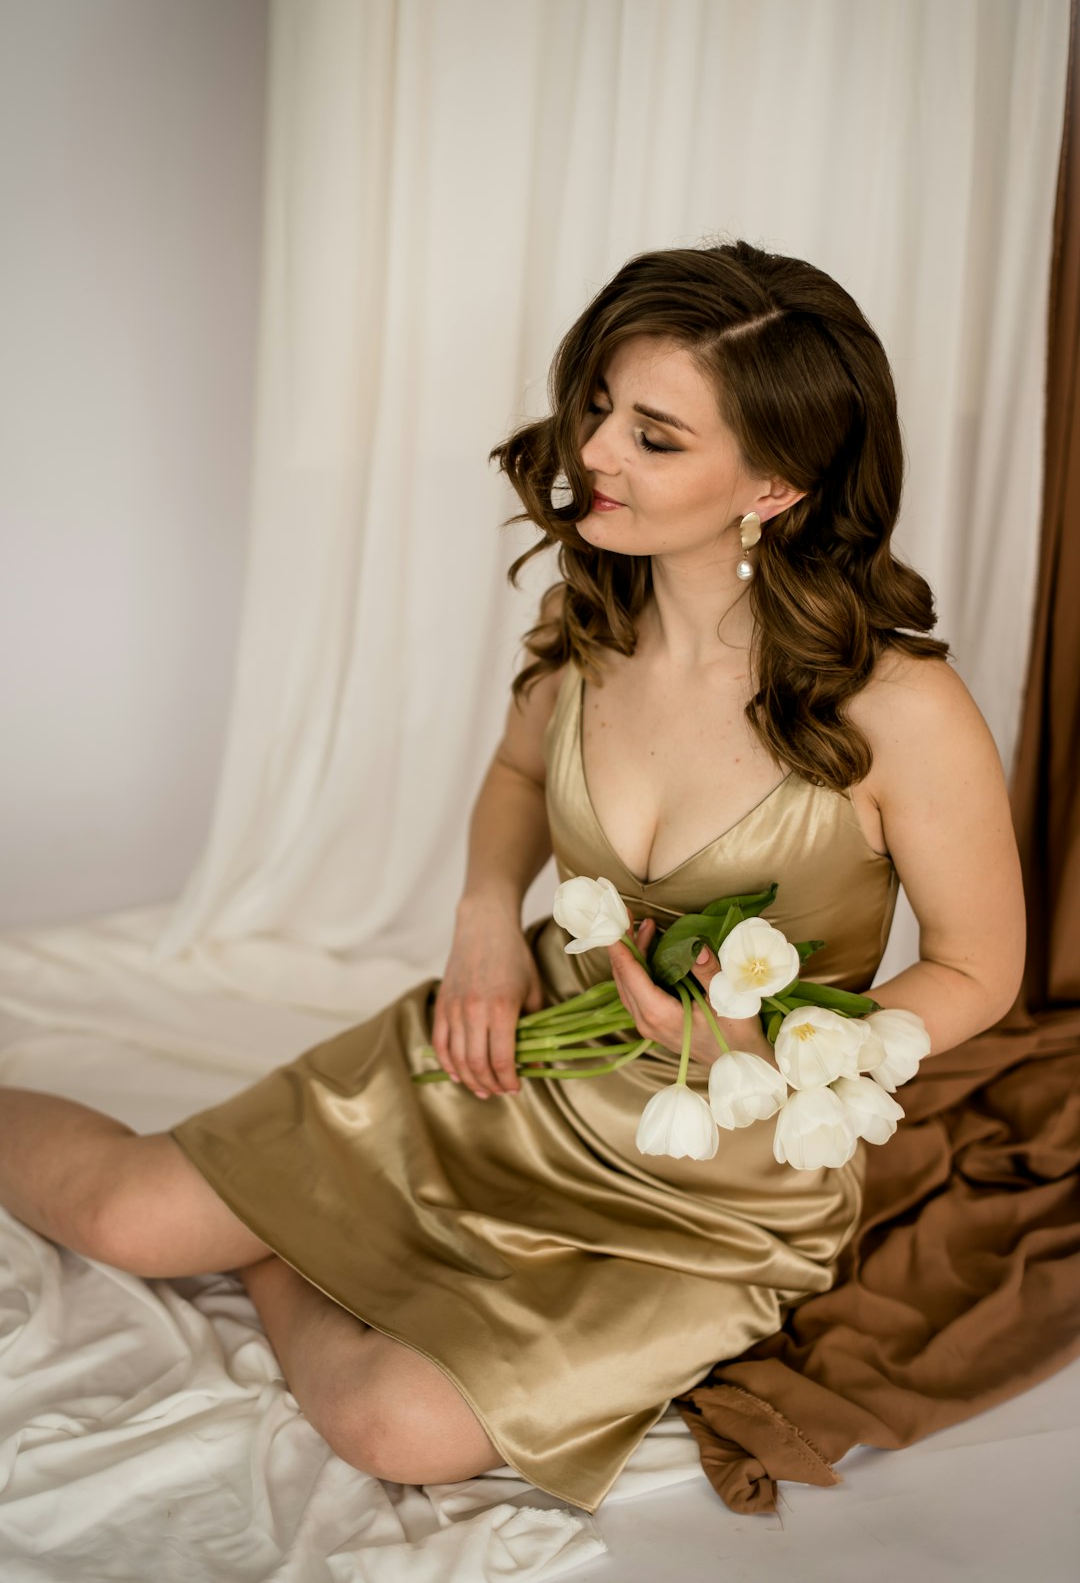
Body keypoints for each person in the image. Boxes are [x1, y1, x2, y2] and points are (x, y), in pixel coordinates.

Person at [0, 240, 1024, 1514]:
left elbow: (982, 967)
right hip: (505, 1057)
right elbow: (518, 780)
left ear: (773, 482)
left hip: (715, 1178)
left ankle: (278, 1256)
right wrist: (486, 914)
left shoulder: (905, 707)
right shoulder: (591, 618)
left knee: (397, 1424)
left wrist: (787, 1045)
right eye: (599, 405)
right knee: (123, 1215)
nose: (593, 452)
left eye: (655, 437)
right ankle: (281, 1230)